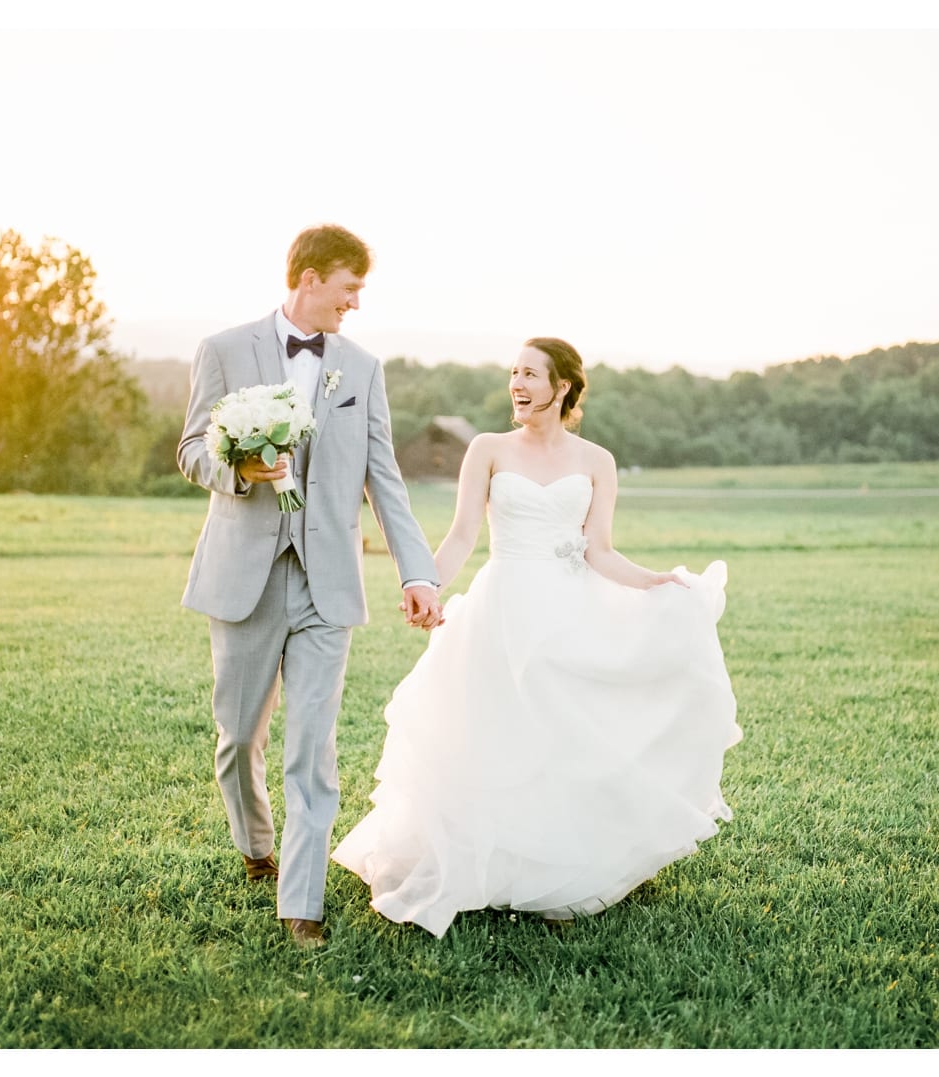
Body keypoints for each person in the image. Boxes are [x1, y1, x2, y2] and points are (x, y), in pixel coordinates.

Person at [332, 337, 741, 937]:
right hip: (502, 609)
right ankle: (485, 861)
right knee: (494, 737)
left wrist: (654, 582)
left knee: (568, 736)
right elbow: (463, 534)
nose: (516, 385)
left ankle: (569, 864)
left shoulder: (597, 460)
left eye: (530, 374)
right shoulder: (488, 448)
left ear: (563, 387)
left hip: (572, 609)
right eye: (513, 373)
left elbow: (599, 550)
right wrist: (427, 584)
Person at [177, 224, 441, 950]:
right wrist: (240, 470)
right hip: (243, 578)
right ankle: (255, 843)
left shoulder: (361, 367)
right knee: (237, 738)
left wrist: (416, 570)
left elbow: (384, 477)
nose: (355, 304)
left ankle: (302, 902)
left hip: (328, 583)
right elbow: (193, 449)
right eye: (349, 288)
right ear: (310, 278)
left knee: (313, 747)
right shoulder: (225, 350)